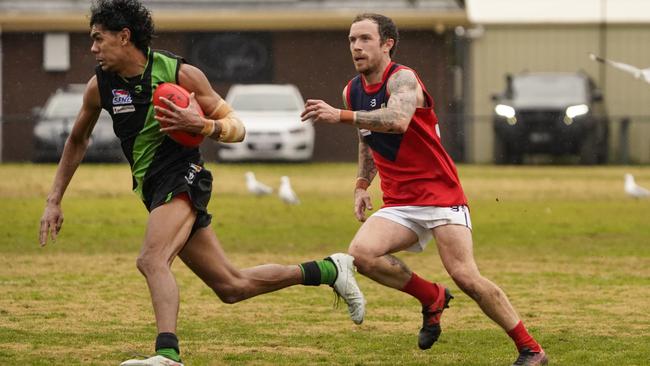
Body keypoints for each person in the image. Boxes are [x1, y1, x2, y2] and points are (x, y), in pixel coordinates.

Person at [37, 1, 364, 365]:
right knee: (231, 286)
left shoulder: (180, 74)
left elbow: (237, 128)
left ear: (124, 36)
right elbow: (77, 141)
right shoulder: (100, 87)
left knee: (151, 259)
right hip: (152, 187)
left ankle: (167, 354)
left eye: (98, 39)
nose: (93, 48)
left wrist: (203, 126)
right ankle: (329, 269)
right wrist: (54, 199)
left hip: (183, 177)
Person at [301, 13, 548, 366]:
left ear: (387, 43)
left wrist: (340, 115)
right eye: (352, 39)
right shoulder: (352, 90)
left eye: (365, 39)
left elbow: (397, 121)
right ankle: (431, 297)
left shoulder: (402, 79)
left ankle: (531, 349)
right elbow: (367, 139)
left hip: (440, 195)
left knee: (466, 276)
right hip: (400, 201)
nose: (356, 46)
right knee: (363, 255)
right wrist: (360, 184)